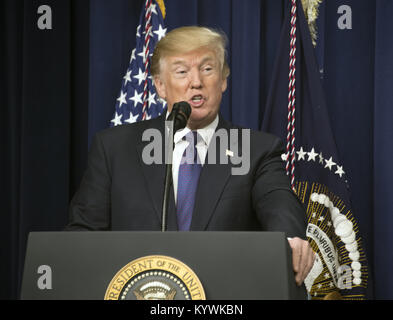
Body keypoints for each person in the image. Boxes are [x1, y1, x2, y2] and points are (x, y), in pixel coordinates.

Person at [66, 26, 315, 286]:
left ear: (223, 80)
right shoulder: (114, 148)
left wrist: (289, 239)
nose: (196, 82)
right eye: (182, 71)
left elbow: (280, 204)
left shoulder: (255, 150)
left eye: (207, 69)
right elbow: (82, 234)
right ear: (160, 86)